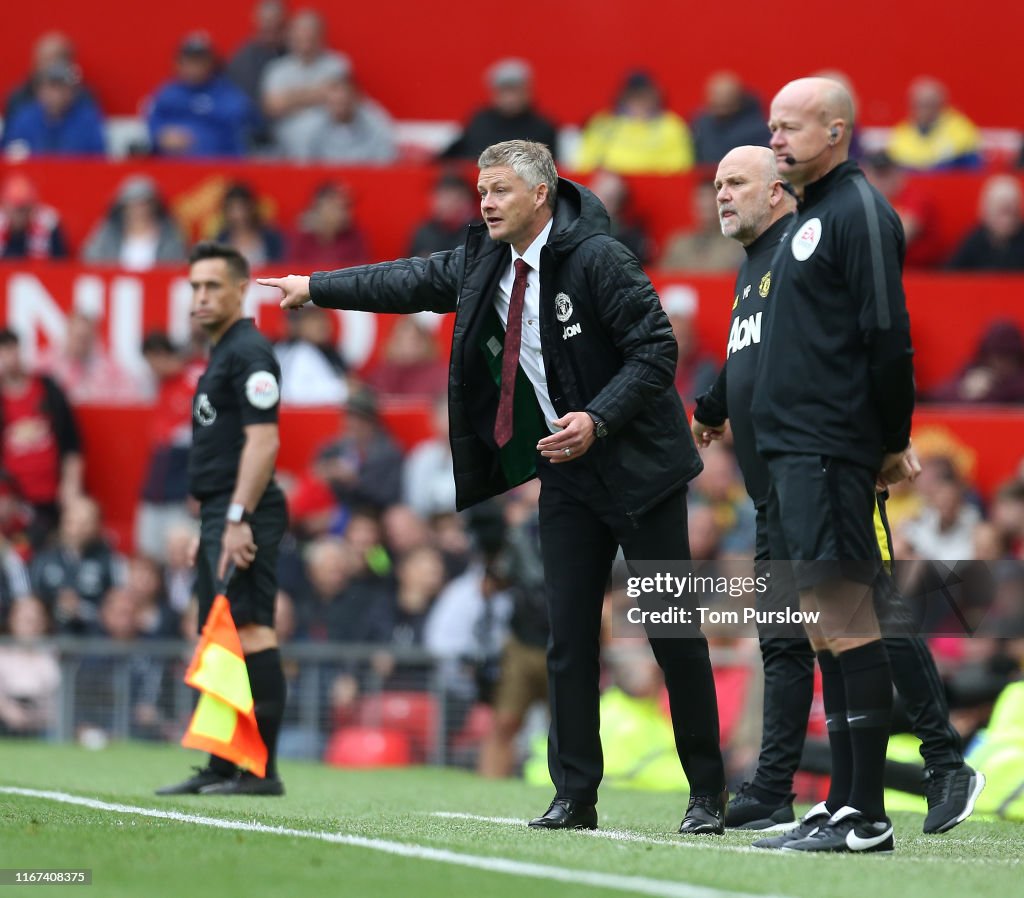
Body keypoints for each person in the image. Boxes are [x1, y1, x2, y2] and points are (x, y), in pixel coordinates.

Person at [260, 139, 726, 833]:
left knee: (672, 633)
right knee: (565, 638)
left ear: (540, 195)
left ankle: (707, 794)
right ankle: (575, 797)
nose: (485, 202)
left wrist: (597, 419)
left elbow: (658, 350)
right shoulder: (483, 258)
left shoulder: (599, 257)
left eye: (500, 191)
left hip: (642, 472)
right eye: (481, 191)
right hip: (564, 472)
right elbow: (411, 279)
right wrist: (316, 287)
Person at [692, 145, 983, 841]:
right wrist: (709, 405)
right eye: (716, 185)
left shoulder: (806, 246)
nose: (721, 195)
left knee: (866, 610)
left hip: (825, 467)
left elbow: (864, 336)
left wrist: (888, 434)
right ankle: (774, 786)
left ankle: (944, 763)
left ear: (778, 193)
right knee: (786, 637)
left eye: (737, 182)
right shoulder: (754, 266)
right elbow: (748, 357)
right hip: (774, 485)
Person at [745, 77, 945, 854]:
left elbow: (888, 337)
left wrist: (889, 441)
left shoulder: (858, 211)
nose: (776, 140)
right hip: (795, 452)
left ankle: (866, 815)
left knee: (848, 623)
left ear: (836, 132)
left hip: (831, 448)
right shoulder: (811, 215)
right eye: (771, 127)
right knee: (828, 631)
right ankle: (841, 803)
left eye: (790, 127)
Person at [156, 242, 287, 796]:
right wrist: (205, 519)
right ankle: (222, 764)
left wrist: (236, 518)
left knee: (251, 630)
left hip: (244, 513)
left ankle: (262, 771)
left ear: (240, 289)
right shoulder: (222, 352)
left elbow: (263, 442)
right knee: (217, 639)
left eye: (212, 286)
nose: (201, 296)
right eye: (194, 287)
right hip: (217, 511)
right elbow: (224, 448)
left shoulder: (250, 353)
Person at [0, 328, 83, 547]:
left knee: (50, 552)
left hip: (50, 495)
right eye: (3, 352)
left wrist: (70, 486)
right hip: (12, 500)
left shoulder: (47, 387)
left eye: (12, 349)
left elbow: (72, 443)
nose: (9, 358)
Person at [147, 32, 259, 159]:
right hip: (171, 168)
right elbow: (154, 124)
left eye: (199, 60)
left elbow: (242, 126)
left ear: (211, 62)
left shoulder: (228, 94)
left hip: (217, 168)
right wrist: (161, 136)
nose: (194, 67)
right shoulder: (167, 93)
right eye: (189, 60)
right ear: (179, 63)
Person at [261, 10, 350, 159]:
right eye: (299, 37)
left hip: (330, 135)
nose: (305, 42)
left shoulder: (337, 64)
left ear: (320, 38)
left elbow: (339, 99)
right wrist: (318, 93)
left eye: (310, 37)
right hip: (287, 138)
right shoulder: (277, 69)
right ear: (291, 37)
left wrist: (291, 98)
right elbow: (273, 106)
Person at [575, 70, 694, 175]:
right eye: (634, 93)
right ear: (623, 96)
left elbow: (680, 167)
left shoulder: (672, 126)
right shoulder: (603, 124)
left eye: (644, 94)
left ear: (656, 95)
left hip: (659, 191)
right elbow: (586, 165)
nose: (639, 99)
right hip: (611, 189)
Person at [441, 58, 558, 162]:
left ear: (527, 92)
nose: (510, 98)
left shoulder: (543, 127)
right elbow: (453, 156)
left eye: (514, 90)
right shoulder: (479, 122)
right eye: (504, 91)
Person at [2, 60, 105, 158]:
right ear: (39, 90)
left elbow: (99, 160)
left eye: (61, 87)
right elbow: (7, 156)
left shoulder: (87, 120)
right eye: (50, 86)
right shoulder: (24, 119)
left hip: (76, 175)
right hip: (31, 175)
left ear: (73, 92)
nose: (55, 94)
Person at [81, 175, 187, 270]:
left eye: (144, 205)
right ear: (122, 208)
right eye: (132, 205)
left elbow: (178, 265)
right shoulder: (107, 234)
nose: (138, 211)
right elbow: (89, 261)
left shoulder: (170, 237)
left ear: (155, 207)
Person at [887, 77, 981, 171]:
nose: (922, 110)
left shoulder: (961, 130)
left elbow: (970, 167)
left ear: (941, 105)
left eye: (928, 104)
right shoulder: (902, 132)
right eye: (918, 105)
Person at [947, 175, 1024, 271]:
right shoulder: (975, 241)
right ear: (986, 211)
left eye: (1010, 211)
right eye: (1000, 211)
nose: (1005, 220)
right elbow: (949, 276)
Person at [691, 72, 770, 165]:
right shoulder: (701, 125)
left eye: (726, 95)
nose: (720, 100)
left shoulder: (758, 129)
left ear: (738, 97)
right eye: (716, 95)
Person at [0, 173, 68, 260]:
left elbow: (61, 263)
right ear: (4, 205)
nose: (19, 215)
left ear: (33, 205)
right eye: (15, 208)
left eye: (23, 209)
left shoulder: (49, 224)